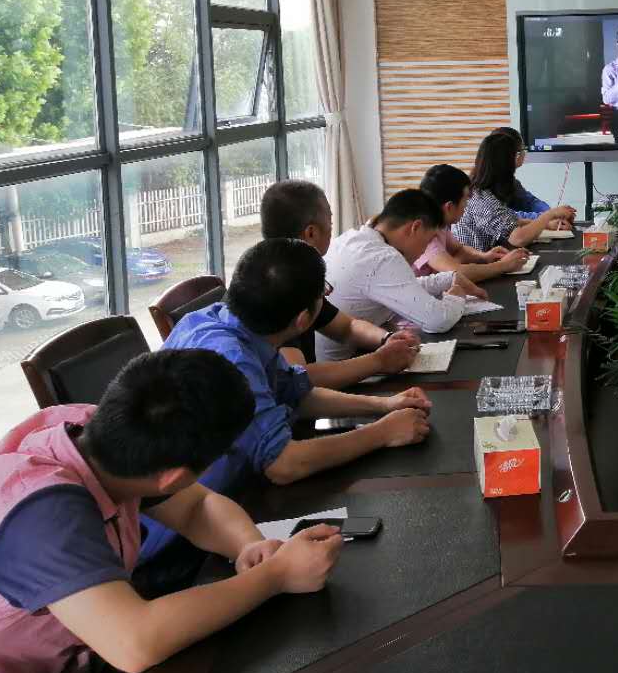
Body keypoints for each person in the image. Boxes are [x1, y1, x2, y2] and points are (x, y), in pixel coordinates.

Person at [0, 349, 343, 673]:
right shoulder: (43, 514)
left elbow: (196, 508)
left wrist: (248, 545)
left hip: (61, 660)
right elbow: (135, 642)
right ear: (173, 476)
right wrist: (276, 576)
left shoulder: (90, 433)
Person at [141, 239, 431, 570]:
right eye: (324, 293)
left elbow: (297, 392)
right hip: (183, 547)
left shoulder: (223, 322)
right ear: (303, 320)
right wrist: (382, 434)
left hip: (229, 507)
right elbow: (284, 465)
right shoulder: (230, 358)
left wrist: (383, 406)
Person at [259, 178, 422, 384]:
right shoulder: (276, 286)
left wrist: (387, 338)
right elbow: (298, 378)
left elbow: (347, 327)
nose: (331, 228)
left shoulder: (293, 272)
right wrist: (379, 361)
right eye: (330, 221)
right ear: (311, 233)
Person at [323, 189, 484, 357]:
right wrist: (456, 296)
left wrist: (450, 278)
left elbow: (402, 286)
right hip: (345, 364)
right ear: (416, 227)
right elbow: (438, 320)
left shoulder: (354, 238)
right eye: (427, 241)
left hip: (347, 354)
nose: (423, 251)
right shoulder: (383, 257)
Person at [453, 132, 576, 251]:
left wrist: (547, 223)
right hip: (474, 261)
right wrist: (550, 215)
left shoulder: (486, 190)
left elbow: (511, 221)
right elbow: (517, 238)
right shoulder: (481, 198)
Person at [418, 164, 531, 280]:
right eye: (465, 200)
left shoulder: (439, 225)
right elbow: (457, 274)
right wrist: (503, 265)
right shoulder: (424, 236)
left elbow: (460, 249)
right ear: (449, 207)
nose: (466, 206)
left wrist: (484, 256)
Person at [489, 126, 574, 223]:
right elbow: (506, 217)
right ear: (515, 154)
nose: (525, 153)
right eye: (523, 149)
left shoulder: (511, 182)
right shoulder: (487, 186)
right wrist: (550, 216)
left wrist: (554, 213)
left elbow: (530, 202)